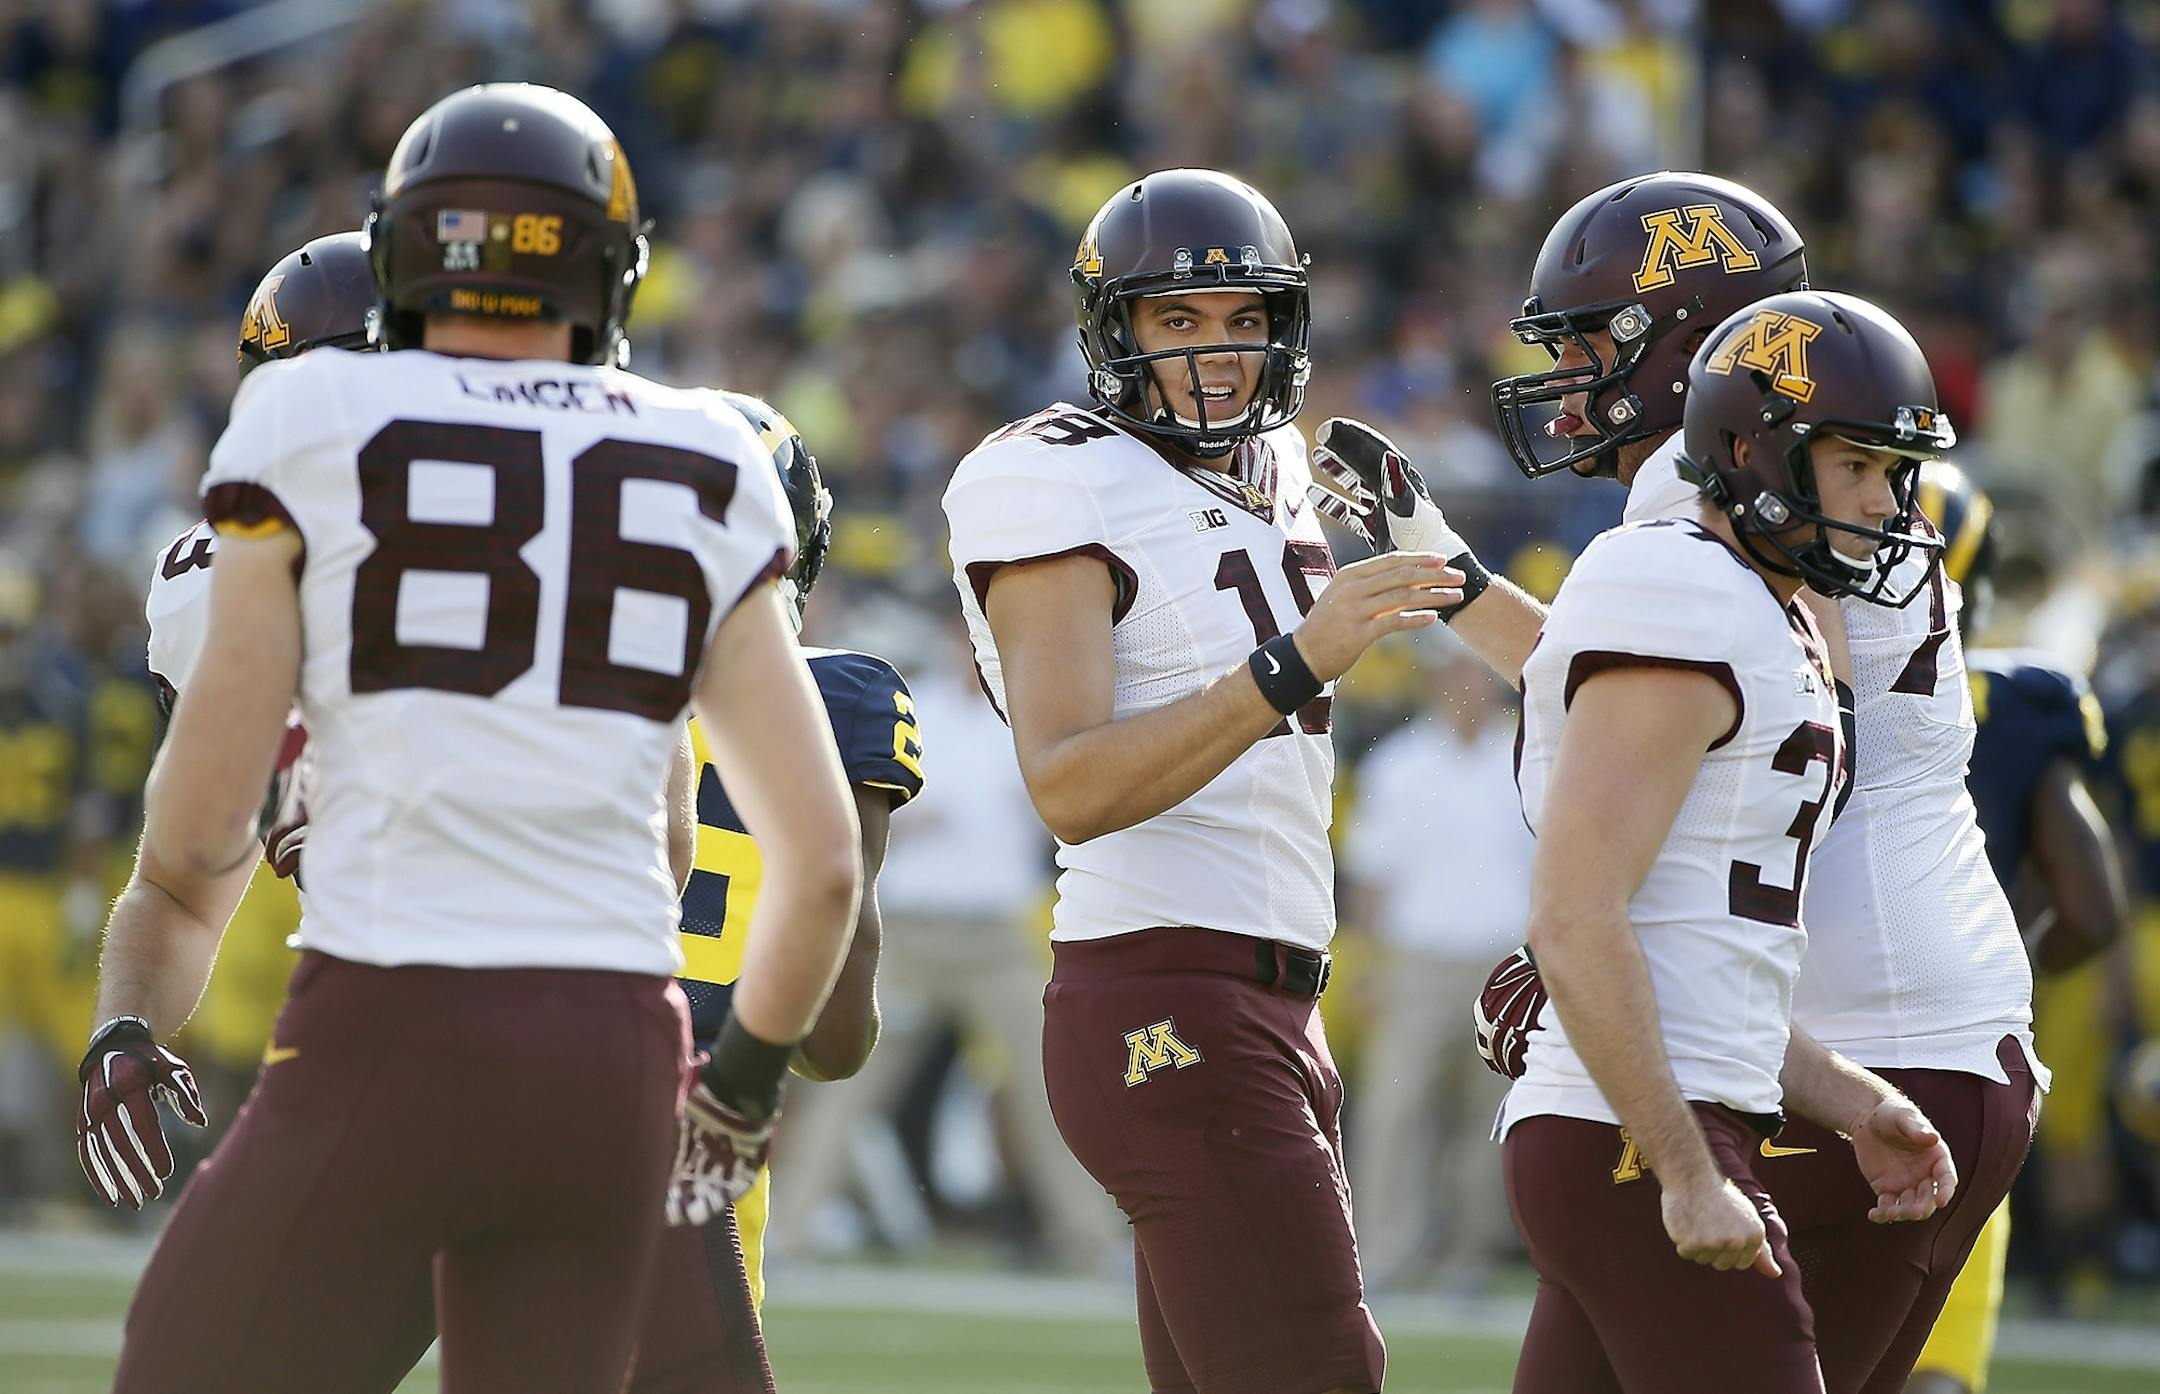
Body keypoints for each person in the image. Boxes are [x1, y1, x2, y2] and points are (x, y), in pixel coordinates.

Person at [81, 84, 860, 1393]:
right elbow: (804, 864)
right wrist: (731, 1090)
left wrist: (123, 1023)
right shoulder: (702, 456)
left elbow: (188, 856)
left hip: (395, 1017)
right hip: (620, 1056)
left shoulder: (297, 443)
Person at [1346, 171, 2038, 1394]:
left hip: (1837, 1047)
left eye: (1598, 342)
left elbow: (1741, 751)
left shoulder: (1724, 482)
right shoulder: (1830, 477)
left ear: (1696, 343)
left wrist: (1601, 974)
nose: (1573, 379)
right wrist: (1452, 578)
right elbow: (1676, 698)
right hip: (1921, 1036)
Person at [941, 167, 1459, 1394]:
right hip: (1163, 985)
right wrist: (1294, 660)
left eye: (1246, 318)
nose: (1219, 353)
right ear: (1115, 328)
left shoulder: (1278, 464)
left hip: (1274, 991)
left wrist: (1445, 558)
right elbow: (1065, 783)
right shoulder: (1052, 473)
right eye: (1179, 321)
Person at [1501, 290, 1961, 1394]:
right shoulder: (1678, 583)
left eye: (1894, 471)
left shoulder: (1765, 605)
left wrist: (1852, 1098)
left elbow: (1707, 951)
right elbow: (1573, 913)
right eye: (1856, 464)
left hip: (1655, 1119)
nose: (1885, 501)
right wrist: (1684, 1160)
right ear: (1752, 450)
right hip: (1634, 1129)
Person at [628, 391, 925, 1394]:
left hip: (517, 1089)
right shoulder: (842, 698)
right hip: (699, 1118)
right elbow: (839, 1040)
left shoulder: (562, 678)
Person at [1907, 464, 2126, 1394]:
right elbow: (2093, 908)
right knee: (1936, 1371)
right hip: (1951, 1069)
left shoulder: (1770, 676)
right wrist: (2000, 978)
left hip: (1792, 1064)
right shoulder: (2020, 704)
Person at [1341, 645, 1531, 1292]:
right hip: (1418, 960)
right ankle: (1386, 1248)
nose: (1467, 685)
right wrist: (1369, 964)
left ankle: (1469, 1255)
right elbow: (1371, 877)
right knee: (1396, 1106)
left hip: (1505, 964)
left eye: (1477, 672)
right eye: (1455, 673)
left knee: (1491, 1112)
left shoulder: (1528, 758)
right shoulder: (1400, 765)